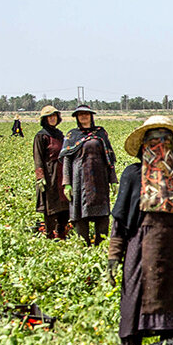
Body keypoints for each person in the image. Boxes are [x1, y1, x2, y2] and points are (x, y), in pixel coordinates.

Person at [108, 116, 173, 345]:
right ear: (143, 145)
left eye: (165, 140)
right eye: (153, 140)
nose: (159, 145)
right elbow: (120, 220)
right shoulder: (133, 175)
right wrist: (113, 258)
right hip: (139, 248)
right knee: (135, 300)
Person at [60, 103, 116, 245]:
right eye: (80, 114)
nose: (83, 116)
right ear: (77, 118)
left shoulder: (101, 133)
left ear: (91, 116)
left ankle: (100, 244)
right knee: (80, 214)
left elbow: (109, 157)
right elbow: (67, 160)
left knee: (102, 215)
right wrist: (66, 183)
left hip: (99, 179)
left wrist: (113, 179)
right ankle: (83, 245)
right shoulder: (72, 135)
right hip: (79, 180)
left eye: (86, 113)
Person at [33, 105, 68, 239]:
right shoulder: (41, 136)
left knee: (64, 205)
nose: (52, 118)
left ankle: (61, 232)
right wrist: (40, 176)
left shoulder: (59, 134)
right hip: (50, 174)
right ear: (45, 119)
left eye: (54, 116)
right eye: (49, 117)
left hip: (61, 173)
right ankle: (49, 234)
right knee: (50, 206)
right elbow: (38, 158)